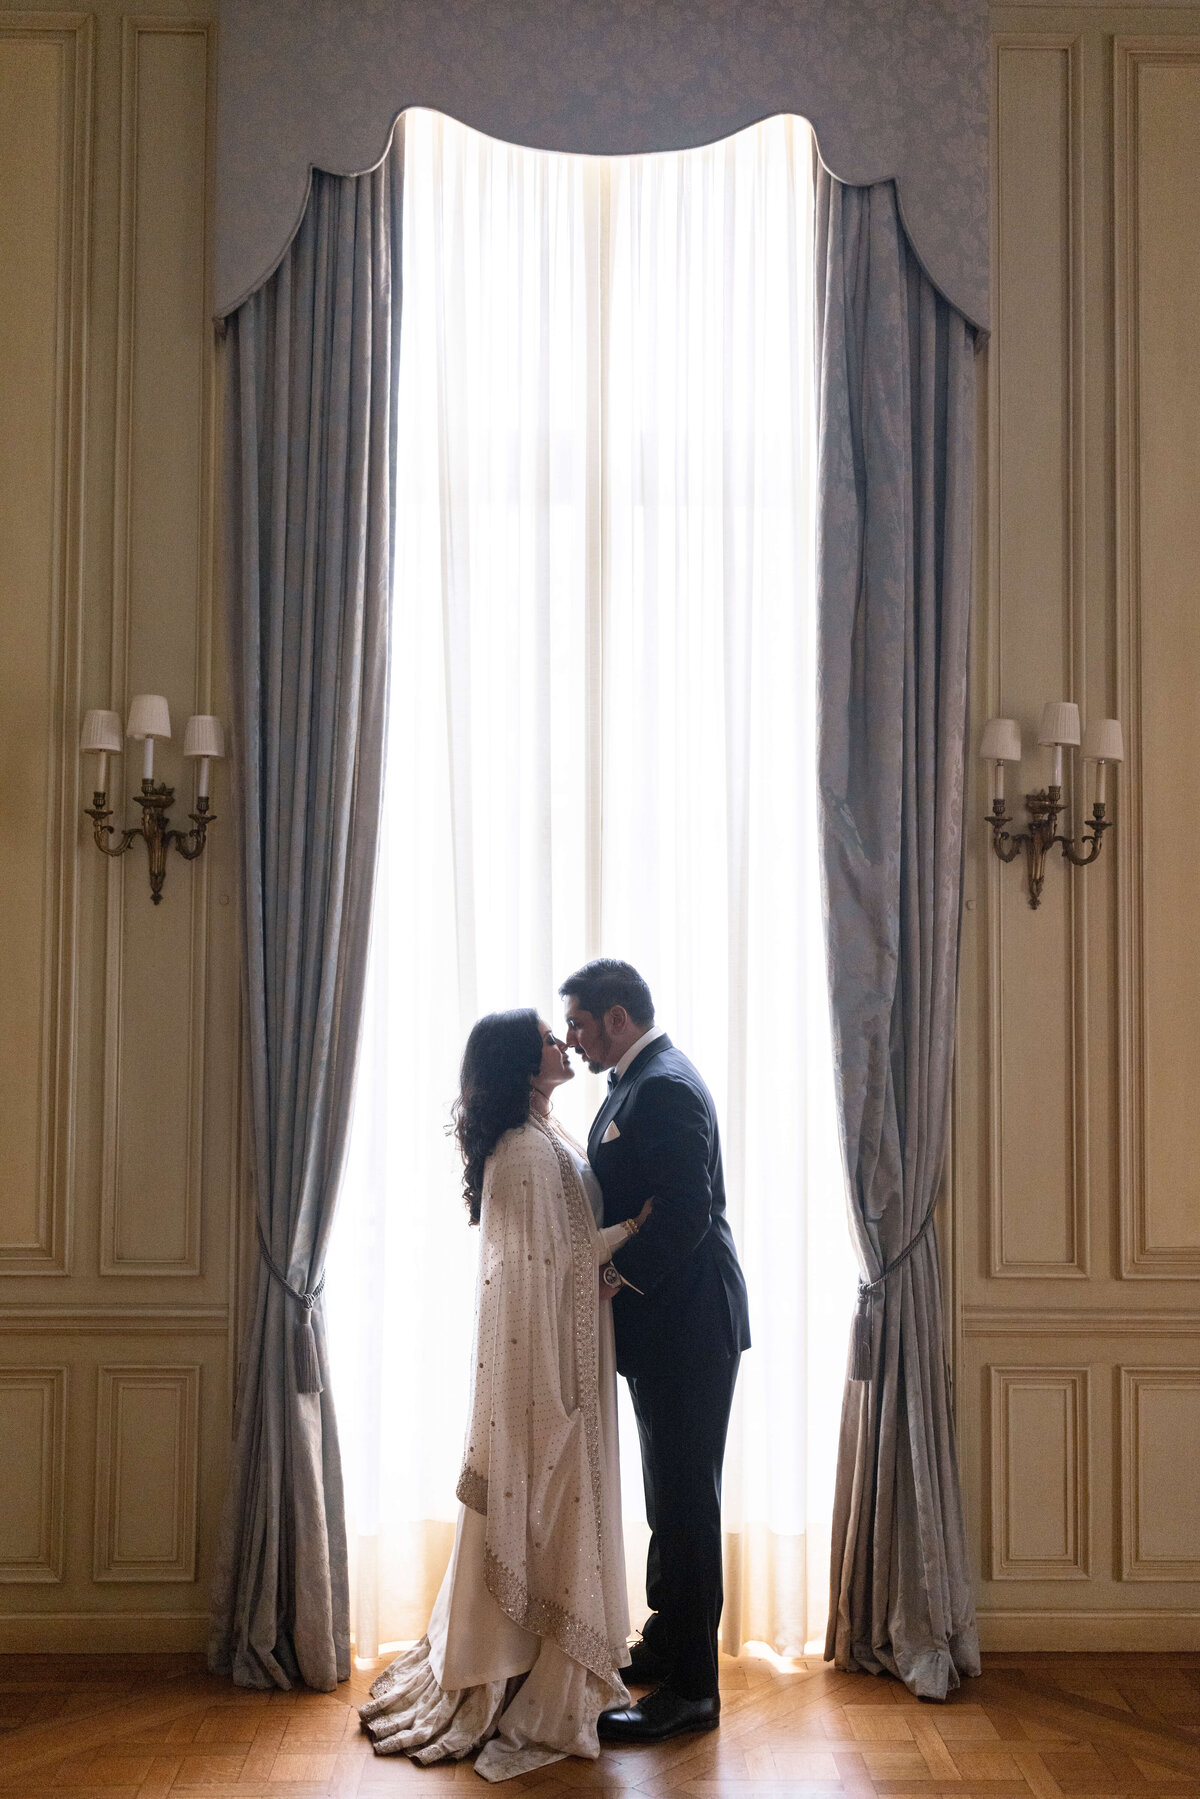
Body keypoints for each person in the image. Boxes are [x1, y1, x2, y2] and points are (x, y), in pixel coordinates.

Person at [358, 1009, 644, 1782]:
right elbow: (541, 1266)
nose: (563, 1044)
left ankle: (548, 1663)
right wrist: (629, 1231)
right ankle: (520, 1674)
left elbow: (560, 1247)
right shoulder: (521, 1149)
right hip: (543, 1369)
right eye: (551, 1038)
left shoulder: (545, 1131)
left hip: (568, 1348)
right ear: (523, 1063)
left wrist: (608, 1257)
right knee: (548, 1506)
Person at [559, 959, 751, 1745]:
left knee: (686, 1501)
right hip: (664, 1329)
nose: (570, 1040)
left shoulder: (664, 1084)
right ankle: (669, 1640)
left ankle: (694, 1691)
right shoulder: (635, 1082)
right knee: (665, 1497)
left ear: (614, 1017)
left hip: (689, 1326)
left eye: (576, 1023)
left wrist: (616, 1271)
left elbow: (686, 1210)